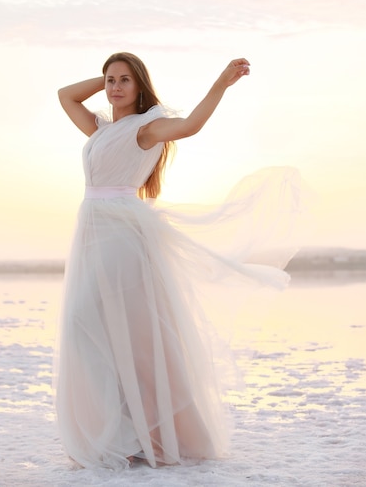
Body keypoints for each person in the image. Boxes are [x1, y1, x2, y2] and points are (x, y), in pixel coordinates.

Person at [54, 52, 301, 470]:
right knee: (100, 332)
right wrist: (105, 81)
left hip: (120, 236)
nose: (115, 88)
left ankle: (135, 436)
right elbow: (65, 96)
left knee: (99, 326)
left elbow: (190, 126)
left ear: (140, 86)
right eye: (110, 80)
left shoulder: (145, 129)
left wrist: (222, 82)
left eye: (124, 81)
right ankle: (125, 434)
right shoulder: (100, 129)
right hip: (91, 234)